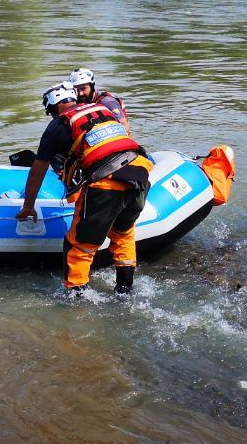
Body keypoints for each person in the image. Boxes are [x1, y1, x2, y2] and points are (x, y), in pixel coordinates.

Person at [15, 83, 153, 298]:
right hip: (140, 175)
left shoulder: (58, 126)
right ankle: (124, 291)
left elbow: (37, 171)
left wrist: (28, 206)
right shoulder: (103, 111)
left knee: (79, 245)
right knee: (123, 234)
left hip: (107, 182)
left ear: (53, 108)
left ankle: (76, 298)